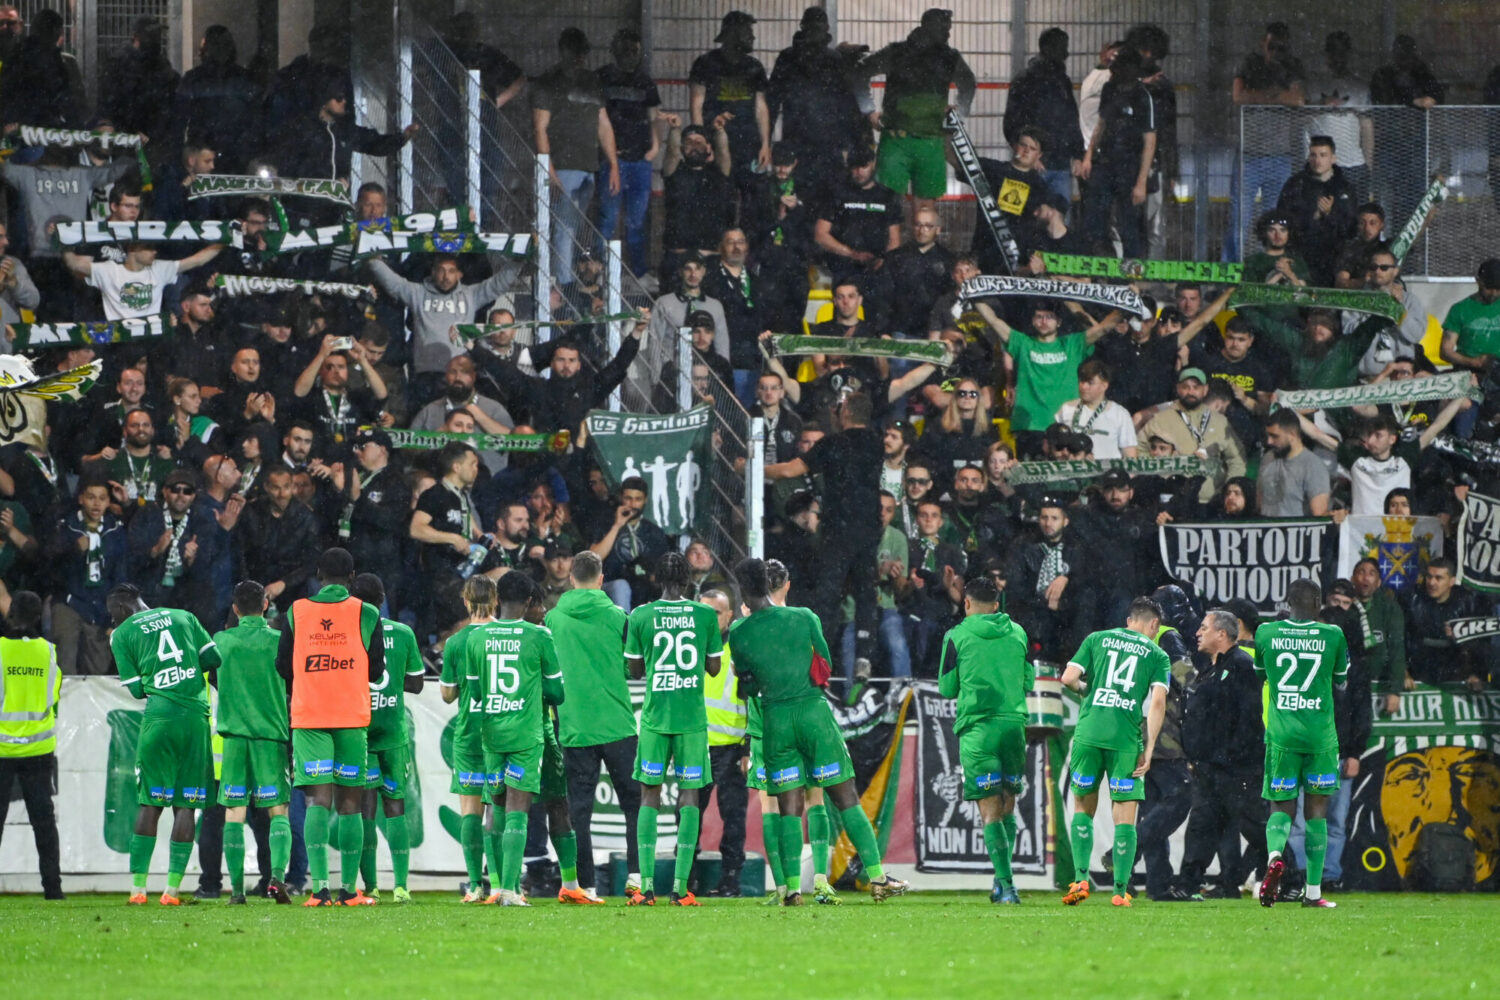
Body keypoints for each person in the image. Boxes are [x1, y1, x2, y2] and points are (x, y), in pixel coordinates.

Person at [729, 557, 908, 903]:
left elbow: (748, 685)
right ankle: (877, 877)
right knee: (844, 798)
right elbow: (824, 668)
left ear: (742, 592)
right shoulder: (804, 617)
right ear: (770, 586)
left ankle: (793, 888)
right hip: (812, 713)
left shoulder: (739, 632)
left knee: (788, 808)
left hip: (775, 721)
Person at [274, 547, 385, 907]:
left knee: (316, 800)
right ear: (352, 577)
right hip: (351, 716)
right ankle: (349, 891)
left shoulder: (297, 611)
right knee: (350, 800)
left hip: (310, 717)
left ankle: (319, 890)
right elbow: (377, 670)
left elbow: (283, 666)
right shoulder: (367, 612)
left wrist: (313, 674)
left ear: (318, 576)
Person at [110, 583, 221, 905]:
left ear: (119, 610)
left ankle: (138, 890)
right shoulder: (183, 617)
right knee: (186, 804)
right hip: (195, 720)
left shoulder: (122, 634)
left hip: (159, 720)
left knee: (151, 803)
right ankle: (172, 892)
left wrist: (158, 679)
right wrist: (184, 672)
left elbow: (135, 691)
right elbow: (214, 658)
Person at [461, 571, 567, 907]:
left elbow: (475, 690)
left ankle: (494, 887)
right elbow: (557, 692)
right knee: (519, 808)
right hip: (525, 733)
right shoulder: (539, 636)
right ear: (528, 602)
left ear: (496, 600)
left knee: (496, 809)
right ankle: (509, 889)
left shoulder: (474, 638)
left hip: (492, 733)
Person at [623, 552, 722, 907]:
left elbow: (634, 671)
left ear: (656, 579)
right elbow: (713, 668)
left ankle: (646, 887)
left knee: (648, 796)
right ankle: (680, 888)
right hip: (691, 720)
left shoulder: (641, 615)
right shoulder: (705, 615)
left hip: (655, 719)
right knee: (689, 797)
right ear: (689, 581)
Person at [1060, 597, 1171, 907]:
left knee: (1083, 807)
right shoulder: (1158, 654)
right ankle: (1120, 891)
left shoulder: (1096, 639)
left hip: (1090, 734)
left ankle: (1080, 879)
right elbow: (1158, 703)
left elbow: (1068, 678)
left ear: (1128, 620)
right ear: (1153, 625)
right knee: (1125, 817)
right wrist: (1149, 748)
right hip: (1126, 740)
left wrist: (1089, 692)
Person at [546, 549, 642, 900]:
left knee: (578, 810)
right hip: (617, 723)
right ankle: (636, 876)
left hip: (574, 726)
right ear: (601, 580)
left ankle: (584, 884)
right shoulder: (619, 617)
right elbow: (634, 666)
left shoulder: (554, 619)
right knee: (634, 803)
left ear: (572, 578)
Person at [764, 392, 883, 673]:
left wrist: (754, 467)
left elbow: (790, 470)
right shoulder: (876, 443)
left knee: (828, 596)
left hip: (839, 530)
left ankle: (819, 661)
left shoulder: (833, 444)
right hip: (868, 529)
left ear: (845, 413)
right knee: (866, 593)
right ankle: (865, 655)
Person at [938, 575, 1032, 904]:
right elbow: (1029, 680)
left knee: (990, 810)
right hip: (1013, 726)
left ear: (966, 604)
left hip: (979, 730)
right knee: (1007, 804)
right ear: (996, 605)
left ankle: (1007, 887)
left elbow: (947, 688)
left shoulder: (956, 635)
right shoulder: (1018, 632)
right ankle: (1000, 881)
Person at [1253, 578, 1347, 908]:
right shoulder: (1333, 635)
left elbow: (1261, 674)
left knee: (1281, 807)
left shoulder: (1266, 632)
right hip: (1320, 736)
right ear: (1319, 603)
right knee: (1317, 813)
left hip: (1282, 735)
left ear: (1287, 602)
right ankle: (1314, 893)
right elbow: (1341, 681)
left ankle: (1276, 856)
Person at [208, 580, 292, 905]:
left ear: (235, 609)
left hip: (235, 738)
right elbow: (291, 675)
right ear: (266, 605)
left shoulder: (222, 641)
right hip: (270, 736)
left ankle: (238, 892)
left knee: (234, 812)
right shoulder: (278, 640)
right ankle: (278, 878)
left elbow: (211, 675)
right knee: (277, 810)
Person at [1177, 608, 1265, 900]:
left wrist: (1232, 759)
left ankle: (1291, 877)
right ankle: (1190, 885)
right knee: (1203, 825)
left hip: (1236, 768)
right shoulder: (1212, 667)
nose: (1197, 632)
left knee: (1253, 826)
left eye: (1204, 627)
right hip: (1210, 766)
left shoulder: (1242, 665)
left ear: (1222, 634)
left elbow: (1249, 718)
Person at [347, 573, 423, 904]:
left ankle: (372, 886)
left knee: (364, 809)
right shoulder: (403, 633)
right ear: (383, 599)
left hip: (360, 727)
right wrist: (391, 691)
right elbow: (418, 683)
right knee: (395, 807)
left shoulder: (348, 632)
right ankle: (402, 886)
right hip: (393, 729)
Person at [855, 8, 976, 215]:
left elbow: (969, 84)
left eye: (949, 29)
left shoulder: (947, 57)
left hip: (927, 141)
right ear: (928, 27)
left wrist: (959, 113)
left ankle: (914, 248)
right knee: (889, 205)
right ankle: (895, 247)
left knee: (919, 208)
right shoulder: (899, 53)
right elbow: (860, 73)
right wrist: (869, 110)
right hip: (900, 140)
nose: (948, 34)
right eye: (944, 28)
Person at [533, 28, 618, 282]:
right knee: (563, 227)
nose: (579, 56)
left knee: (574, 226)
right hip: (562, 165)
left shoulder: (592, 81)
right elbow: (540, 127)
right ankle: (562, 283)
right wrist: (548, 167)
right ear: (563, 50)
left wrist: (613, 164)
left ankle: (568, 278)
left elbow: (604, 123)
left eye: (582, 50)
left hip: (587, 166)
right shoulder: (549, 82)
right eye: (574, 49)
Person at [0, 592, 63, 898]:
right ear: (39, 617)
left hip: (1, 750)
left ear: (10, 614)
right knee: (44, 823)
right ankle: (53, 889)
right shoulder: (49, 652)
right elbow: (53, 697)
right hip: (39, 749)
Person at [1228, 22, 1306, 262]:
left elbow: (1298, 99)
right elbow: (1239, 96)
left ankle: (1271, 264)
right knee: (1239, 217)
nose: (1275, 52)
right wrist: (1274, 95)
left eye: (1280, 47)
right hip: (1249, 154)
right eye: (1271, 46)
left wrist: (1263, 96)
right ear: (1264, 42)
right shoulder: (1250, 63)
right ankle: (1231, 268)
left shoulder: (1292, 66)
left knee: (1276, 220)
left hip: (1279, 155)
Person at [440, 576, 495, 901]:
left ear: (465, 601)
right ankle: (503, 883)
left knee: (470, 811)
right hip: (503, 732)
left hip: (469, 734)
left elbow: (447, 694)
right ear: (496, 599)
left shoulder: (456, 642)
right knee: (500, 810)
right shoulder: (507, 636)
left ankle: (475, 885)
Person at [596, 29, 663, 277]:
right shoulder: (602, 77)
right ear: (613, 50)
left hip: (640, 163)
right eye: (625, 50)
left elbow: (655, 117)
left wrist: (655, 147)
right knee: (608, 218)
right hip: (613, 160)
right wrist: (608, 154)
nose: (630, 56)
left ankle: (638, 273)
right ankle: (598, 271)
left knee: (637, 221)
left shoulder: (645, 82)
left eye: (634, 51)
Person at [690, 11, 772, 212]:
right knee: (718, 201)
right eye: (747, 32)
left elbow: (761, 107)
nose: (752, 37)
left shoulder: (754, 67)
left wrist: (765, 144)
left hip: (749, 145)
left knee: (753, 203)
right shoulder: (706, 64)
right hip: (717, 143)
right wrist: (702, 142)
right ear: (733, 34)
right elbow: (696, 104)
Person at [1079, 47, 1156, 257]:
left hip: (1129, 165)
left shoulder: (1142, 96)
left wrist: (1141, 182)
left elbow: (1149, 140)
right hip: (1105, 161)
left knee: (1128, 221)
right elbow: (1101, 123)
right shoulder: (1109, 89)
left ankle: (1130, 273)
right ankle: (1100, 267)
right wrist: (1089, 156)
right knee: (1096, 218)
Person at [697, 588, 748, 896]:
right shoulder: (690, 645)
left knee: (733, 818)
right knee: (687, 815)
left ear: (730, 616)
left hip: (731, 746)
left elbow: (752, 699)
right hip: (697, 745)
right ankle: (685, 880)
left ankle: (731, 881)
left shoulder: (740, 649)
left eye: (715, 612)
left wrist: (746, 747)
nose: (708, 618)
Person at [1141, 368, 1248, 504]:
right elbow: (1138, 453)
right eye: (1185, 387)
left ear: (1205, 389)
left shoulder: (1220, 421)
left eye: (1196, 387)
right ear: (1178, 389)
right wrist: (1162, 474)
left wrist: (1227, 491)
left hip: (1211, 503)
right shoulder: (1160, 420)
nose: (1190, 392)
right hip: (1171, 503)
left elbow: (1237, 460)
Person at [1004, 27, 1084, 204]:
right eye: (1062, 47)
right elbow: (1012, 122)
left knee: (1016, 215)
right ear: (1048, 48)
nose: (1066, 53)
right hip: (1046, 163)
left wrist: (1078, 155)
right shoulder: (1028, 80)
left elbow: (1071, 119)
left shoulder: (1059, 80)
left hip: (1046, 163)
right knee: (1054, 221)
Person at [1275, 136, 1357, 287]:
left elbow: (1351, 229)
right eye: (1313, 155)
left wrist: (1330, 214)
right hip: (1302, 258)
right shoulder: (1295, 185)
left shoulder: (1344, 188)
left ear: (1333, 158)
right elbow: (1283, 221)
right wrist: (1314, 217)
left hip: (1335, 259)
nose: (1317, 160)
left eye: (1323, 155)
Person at [1055, 360, 1138, 460]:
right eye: (1082, 381)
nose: (1084, 387)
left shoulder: (1120, 415)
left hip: (1106, 474)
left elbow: (1130, 456)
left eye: (1090, 383)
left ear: (1104, 386)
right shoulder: (1066, 409)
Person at [1257, 409, 1330, 516]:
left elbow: (1319, 516)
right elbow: (1260, 501)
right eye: (1268, 435)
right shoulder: (1268, 458)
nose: (1269, 441)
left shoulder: (1313, 466)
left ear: (1292, 435)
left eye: (1275, 436)